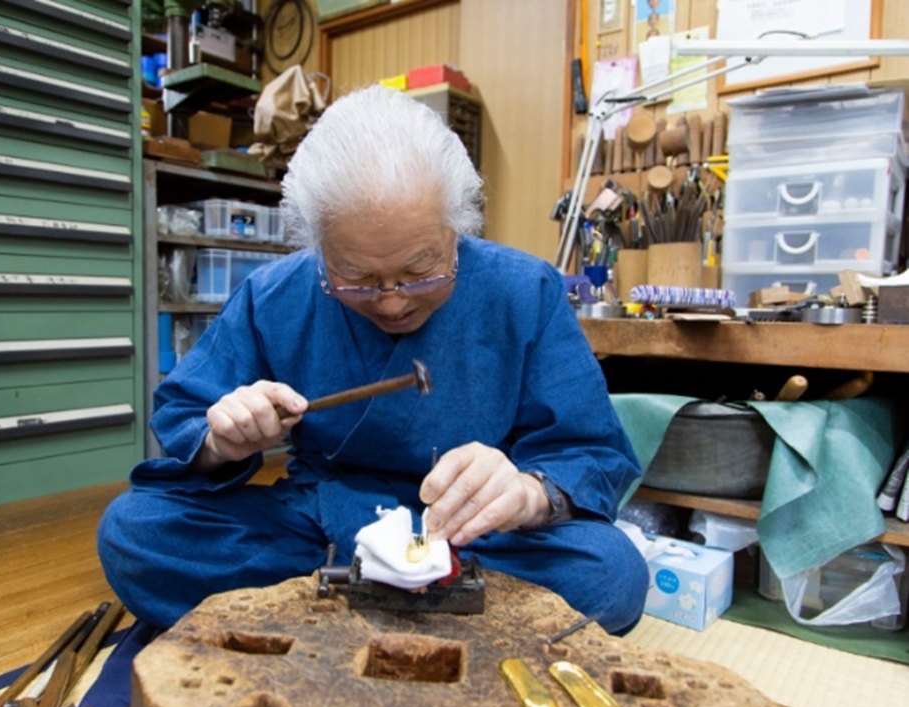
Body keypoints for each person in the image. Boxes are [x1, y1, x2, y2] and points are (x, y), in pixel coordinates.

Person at [98, 85, 648, 640]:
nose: (392, 301)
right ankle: (437, 619)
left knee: (610, 573)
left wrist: (528, 493)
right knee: (135, 531)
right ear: (317, 246)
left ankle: (319, 622)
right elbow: (188, 412)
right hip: (323, 525)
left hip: (475, 536)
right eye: (356, 277)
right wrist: (223, 439)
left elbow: (589, 449)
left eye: (422, 269)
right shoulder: (276, 295)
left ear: (459, 228)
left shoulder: (524, 291)